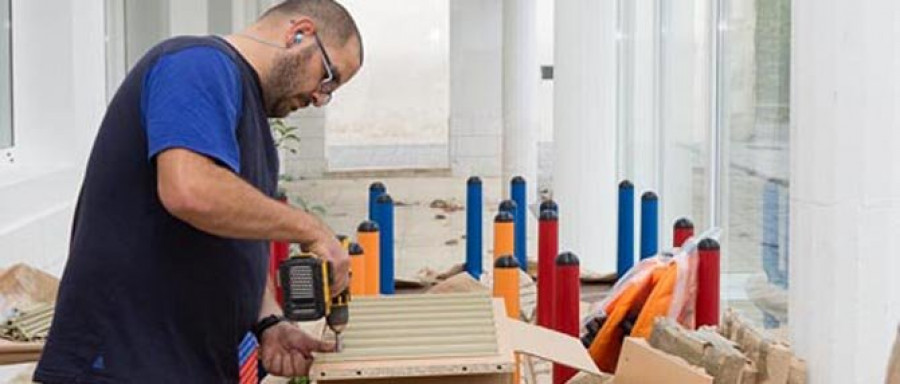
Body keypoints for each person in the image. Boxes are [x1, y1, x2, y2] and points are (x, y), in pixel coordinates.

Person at [34, 0, 362, 382]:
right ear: (299, 33)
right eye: (327, 77)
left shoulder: (248, 113)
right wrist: (312, 229)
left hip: (184, 366)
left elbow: (237, 237)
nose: (319, 98)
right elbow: (189, 190)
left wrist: (269, 322)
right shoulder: (197, 64)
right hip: (122, 366)